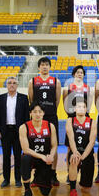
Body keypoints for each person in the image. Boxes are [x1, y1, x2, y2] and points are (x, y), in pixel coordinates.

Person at [28, 56, 62, 186]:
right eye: (42, 64)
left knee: (54, 146)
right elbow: (31, 100)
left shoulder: (55, 81)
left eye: (47, 64)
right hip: (37, 118)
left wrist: (49, 110)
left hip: (51, 116)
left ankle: (53, 174)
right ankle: (37, 175)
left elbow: (57, 100)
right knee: (37, 145)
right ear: (38, 67)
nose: (44, 66)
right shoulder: (33, 81)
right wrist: (38, 114)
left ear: (50, 67)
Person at [19, 102, 58, 196]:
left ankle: (38, 178)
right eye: (34, 112)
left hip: (44, 160)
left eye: (40, 112)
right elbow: (25, 149)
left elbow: (54, 145)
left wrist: (50, 156)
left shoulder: (50, 126)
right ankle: (27, 191)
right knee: (24, 158)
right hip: (32, 157)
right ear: (30, 113)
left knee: (45, 192)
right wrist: (42, 156)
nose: (37, 114)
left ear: (43, 113)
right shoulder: (24, 127)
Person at [0, 76, 30, 188]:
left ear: (17, 85)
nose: (12, 85)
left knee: (18, 157)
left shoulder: (23, 98)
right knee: (6, 157)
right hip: (5, 131)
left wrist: (26, 132)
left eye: (14, 83)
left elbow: (26, 117)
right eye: (9, 83)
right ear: (6, 85)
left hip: (18, 132)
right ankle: (6, 179)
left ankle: (18, 179)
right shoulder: (0, 98)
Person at [63, 65, 93, 184]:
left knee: (84, 145)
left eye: (81, 72)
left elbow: (89, 103)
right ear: (74, 74)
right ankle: (69, 172)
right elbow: (65, 102)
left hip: (84, 118)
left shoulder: (87, 88)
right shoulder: (68, 87)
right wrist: (71, 114)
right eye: (77, 72)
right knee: (70, 147)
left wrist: (85, 113)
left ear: (84, 75)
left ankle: (83, 170)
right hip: (72, 117)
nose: (79, 74)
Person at [65, 101, 97, 196]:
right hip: (75, 151)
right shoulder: (70, 120)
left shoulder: (92, 122)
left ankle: (83, 180)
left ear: (86, 109)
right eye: (78, 106)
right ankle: (73, 190)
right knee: (73, 160)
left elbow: (92, 142)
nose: (81, 108)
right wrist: (75, 153)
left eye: (83, 107)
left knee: (86, 189)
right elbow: (71, 139)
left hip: (86, 153)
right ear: (75, 109)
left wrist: (83, 157)